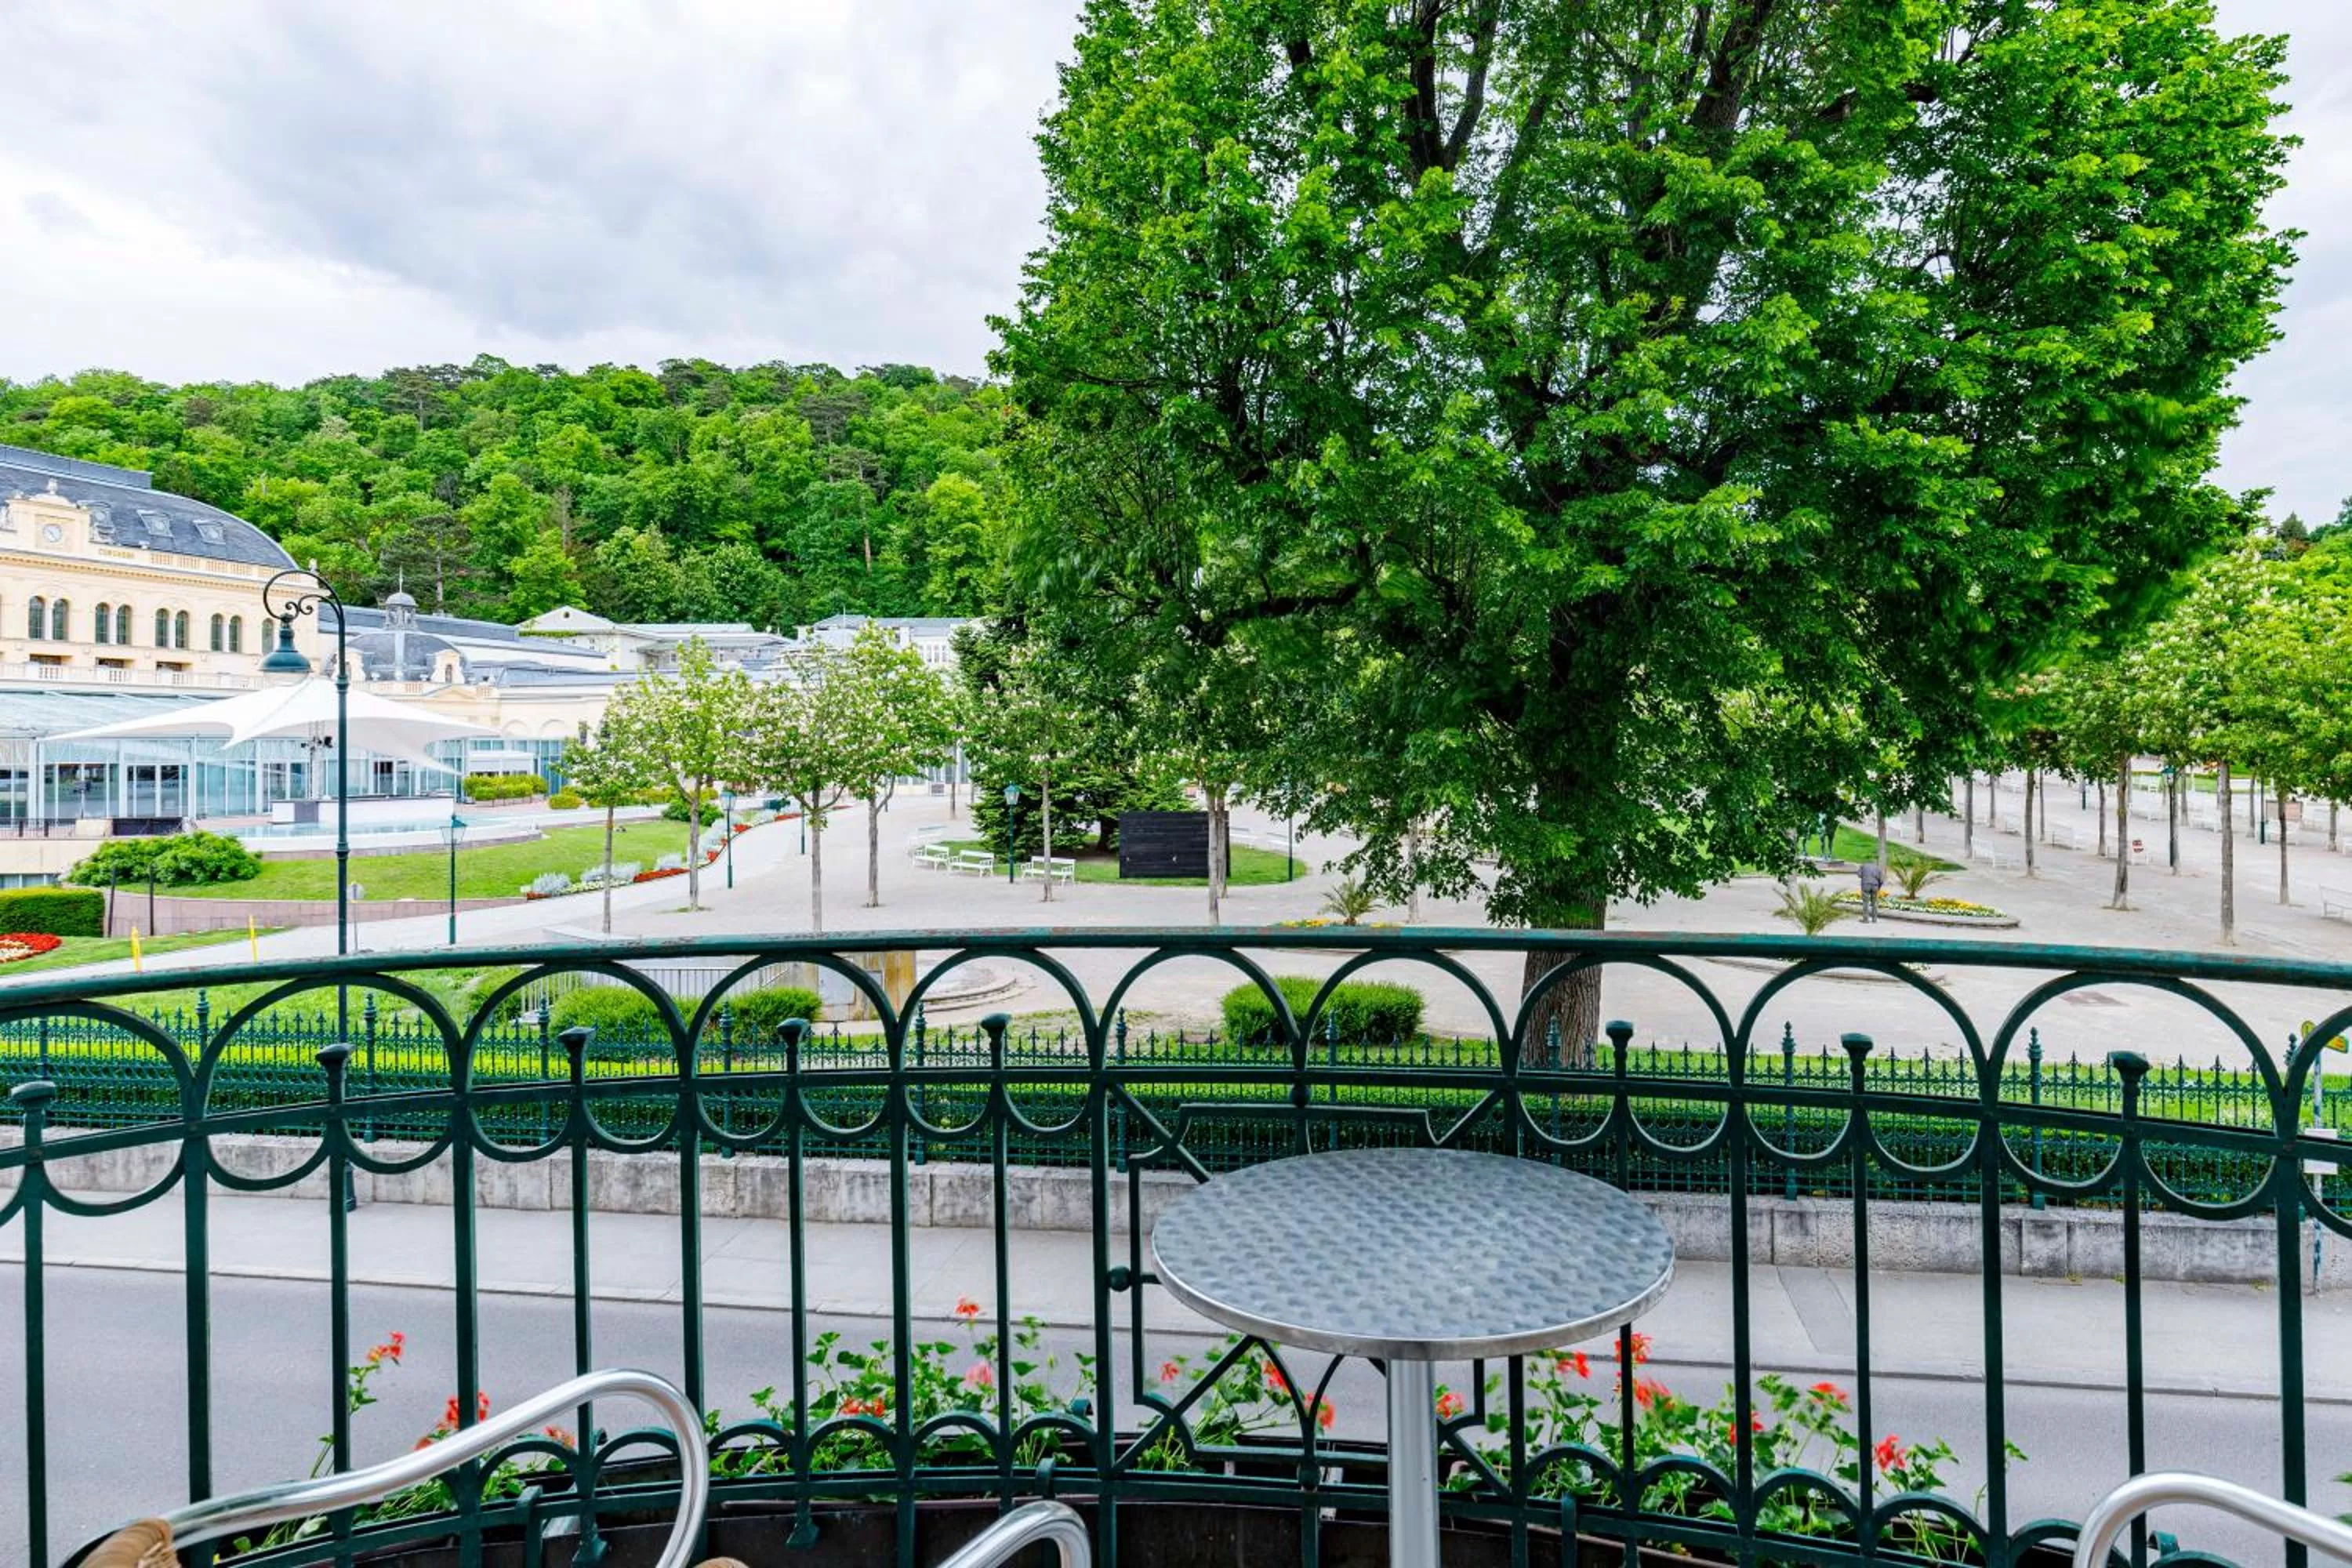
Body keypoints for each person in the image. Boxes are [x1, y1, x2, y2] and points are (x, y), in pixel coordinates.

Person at [1857, 858, 1885, 923]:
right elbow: (1881, 880)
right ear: (1875, 862)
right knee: (1874, 903)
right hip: (1875, 886)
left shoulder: (1863, 866)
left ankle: (1865, 919)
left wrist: (1865, 875)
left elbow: (1859, 875)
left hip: (1866, 885)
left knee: (1865, 902)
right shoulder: (1878, 868)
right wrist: (1879, 887)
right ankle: (1874, 919)